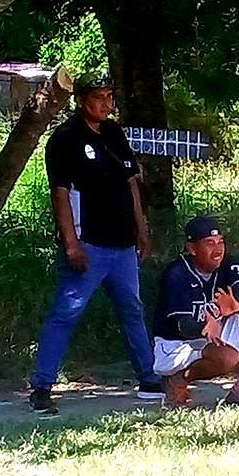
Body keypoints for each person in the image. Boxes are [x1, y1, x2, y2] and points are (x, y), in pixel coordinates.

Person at [29, 73, 162, 412]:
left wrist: (141, 229)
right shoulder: (65, 138)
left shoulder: (114, 133)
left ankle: (148, 378)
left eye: (110, 96)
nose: (106, 104)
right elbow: (60, 193)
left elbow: (131, 183)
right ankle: (42, 385)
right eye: (99, 97)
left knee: (132, 310)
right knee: (66, 312)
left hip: (122, 245)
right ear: (81, 100)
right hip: (89, 243)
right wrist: (71, 244)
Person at [153, 216, 239, 407]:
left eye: (220, 242)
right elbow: (183, 327)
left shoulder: (228, 263)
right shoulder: (176, 273)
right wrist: (207, 324)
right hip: (177, 343)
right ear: (192, 248)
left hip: (213, 330)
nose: (218, 249)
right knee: (228, 358)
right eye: (209, 243)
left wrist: (236, 306)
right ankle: (176, 380)